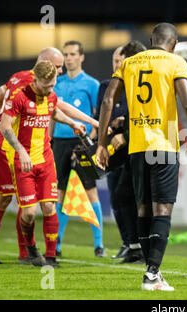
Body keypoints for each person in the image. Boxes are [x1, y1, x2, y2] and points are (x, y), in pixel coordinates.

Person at [95, 23, 187, 291]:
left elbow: (107, 101)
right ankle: (152, 274)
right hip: (163, 146)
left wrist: (101, 144)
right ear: (173, 43)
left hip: (137, 146)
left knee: (143, 209)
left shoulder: (129, 63)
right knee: (163, 209)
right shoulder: (175, 62)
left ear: (152, 40)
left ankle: (153, 273)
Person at [0, 47, 99, 265]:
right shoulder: (25, 88)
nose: (60, 71)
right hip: (7, 146)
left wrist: (84, 122)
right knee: (5, 199)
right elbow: (0, 105)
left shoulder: (23, 78)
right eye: (58, 65)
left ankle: (27, 254)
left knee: (33, 204)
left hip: (26, 148)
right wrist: (9, 126)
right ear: (43, 62)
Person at [0, 60, 85, 267]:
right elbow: (5, 126)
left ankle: (50, 257)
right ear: (36, 80)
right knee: (29, 214)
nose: (50, 89)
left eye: (53, 85)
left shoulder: (51, 96)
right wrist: (21, 149)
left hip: (46, 161)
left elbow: (53, 111)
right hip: (24, 162)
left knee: (49, 206)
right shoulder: (19, 97)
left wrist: (73, 122)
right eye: (46, 86)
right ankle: (30, 247)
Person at [93, 41, 146, 263]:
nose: (118, 64)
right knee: (120, 197)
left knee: (138, 198)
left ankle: (142, 246)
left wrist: (124, 130)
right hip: (119, 150)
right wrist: (102, 142)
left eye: (121, 60)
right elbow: (101, 114)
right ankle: (132, 244)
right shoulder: (108, 85)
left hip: (140, 148)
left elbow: (146, 116)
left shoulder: (139, 83)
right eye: (115, 60)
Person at [52, 40, 105, 257]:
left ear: (82, 57)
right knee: (60, 193)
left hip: (81, 143)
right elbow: (51, 116)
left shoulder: (92, 84)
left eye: (73, 54)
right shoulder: (56, 83)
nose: (68, 58)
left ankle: (99, 244)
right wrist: (48, 141)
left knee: (90, 191)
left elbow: (95, 116)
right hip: (59, 143)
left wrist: (87, 143)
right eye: (66, 54)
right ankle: (55, 244)